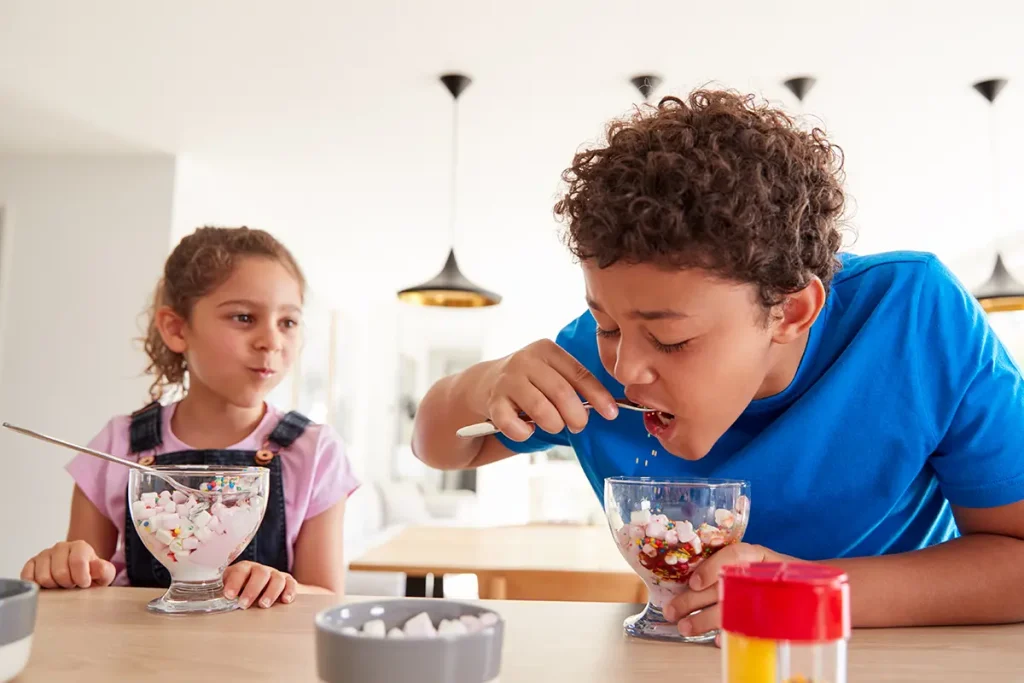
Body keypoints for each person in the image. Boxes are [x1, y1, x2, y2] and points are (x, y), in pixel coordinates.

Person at [412, 90, 1024, 636]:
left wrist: (806, 591)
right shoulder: (591, 364)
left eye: (671, 339)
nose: (626, 368)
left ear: (789, 312)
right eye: (606, 323)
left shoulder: (911, 318)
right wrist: (485, 383)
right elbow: (438, 446)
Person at [21, 226, 358, 608]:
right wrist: (65, 568)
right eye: (244, 317)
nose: (271, 341)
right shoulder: (117, 443)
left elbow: (327, 596)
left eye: (288, 322)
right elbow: (82, 590)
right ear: (177, 329)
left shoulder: (315, 451)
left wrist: (281, 588)